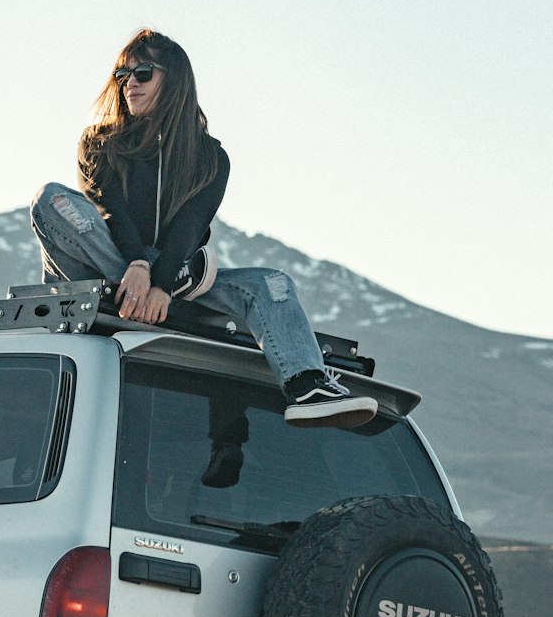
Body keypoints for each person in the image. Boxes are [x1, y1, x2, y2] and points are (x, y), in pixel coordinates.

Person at [30, 29, 377, 435]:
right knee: (51, 198)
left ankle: (307, 386)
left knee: (272, 283)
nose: (130, 84)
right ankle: (165, 280)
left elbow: (190, 227)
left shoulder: (210, 158)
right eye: (122, 76)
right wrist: (142, 268)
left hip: (166, 286)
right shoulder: (100, 141)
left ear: (174, 80)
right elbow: (110, 212)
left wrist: (161, 285)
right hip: (108, 272)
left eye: (143, 72)